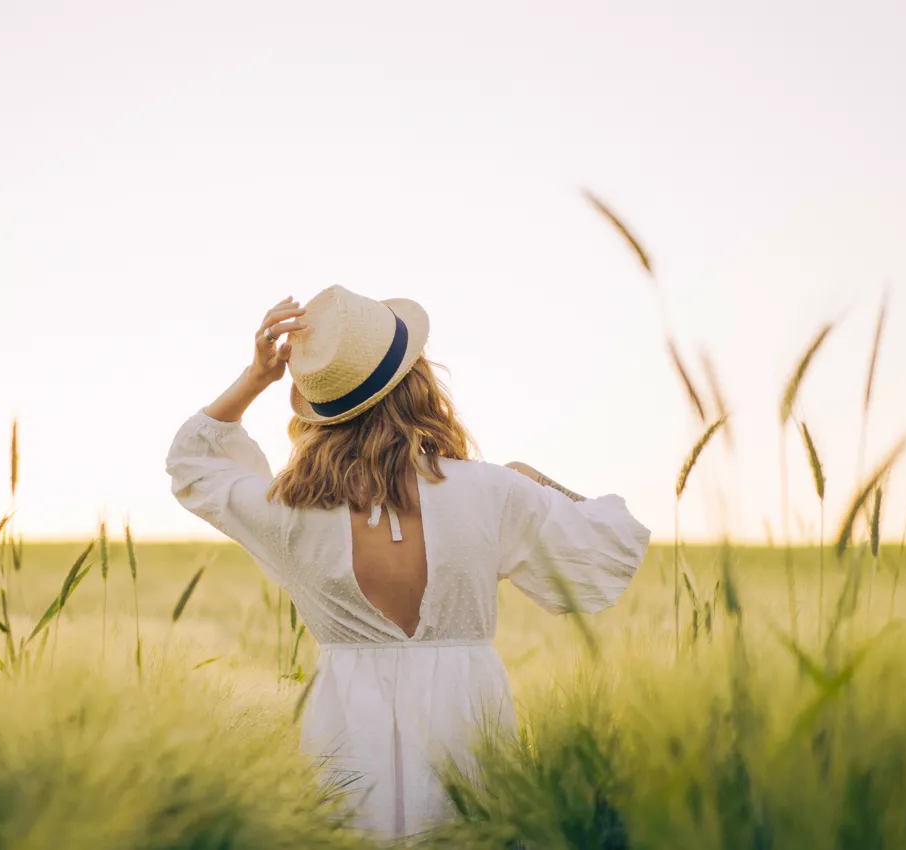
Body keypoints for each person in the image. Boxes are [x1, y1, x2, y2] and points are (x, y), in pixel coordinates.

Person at [165, 285, 650, 840]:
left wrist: (256, 377)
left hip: (345, 741)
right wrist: (531, 478)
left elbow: (193, 461)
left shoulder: (289, 512)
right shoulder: (495, 492)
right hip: (469, 730)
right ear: (419, 385)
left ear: (320, 408)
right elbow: (612, 543)